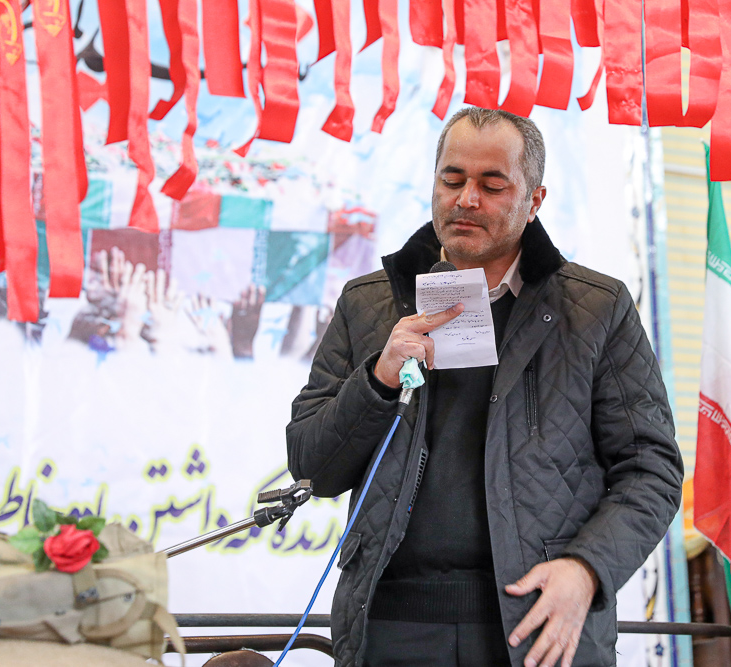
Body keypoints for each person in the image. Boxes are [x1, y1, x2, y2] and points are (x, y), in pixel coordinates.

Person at [286, 107, 683, 667]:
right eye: (452, 180)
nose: (466, 199)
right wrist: (378, 377)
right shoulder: (368, 303)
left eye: (492, 186)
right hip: (391, 626)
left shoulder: (596, 309)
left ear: (535, 200)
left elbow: (651, 471)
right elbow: (312, 466)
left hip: (537, 624)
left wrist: (588, 568)